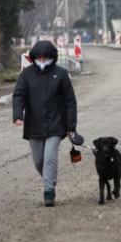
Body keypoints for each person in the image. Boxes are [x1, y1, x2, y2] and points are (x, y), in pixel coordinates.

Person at [13, 40, 77, 207]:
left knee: (49, 158)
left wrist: (71, 126)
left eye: (45, 58)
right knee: (38, 160)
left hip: (56, 125)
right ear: (34, 58)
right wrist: (18, 115)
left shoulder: (61, 74)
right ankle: (51, 180)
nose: (42, 61)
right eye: (39, 58)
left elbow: (70, 101)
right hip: (34, 125)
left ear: (52, 57)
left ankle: (48, 190)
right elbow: (19, 95)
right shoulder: (27, 74)